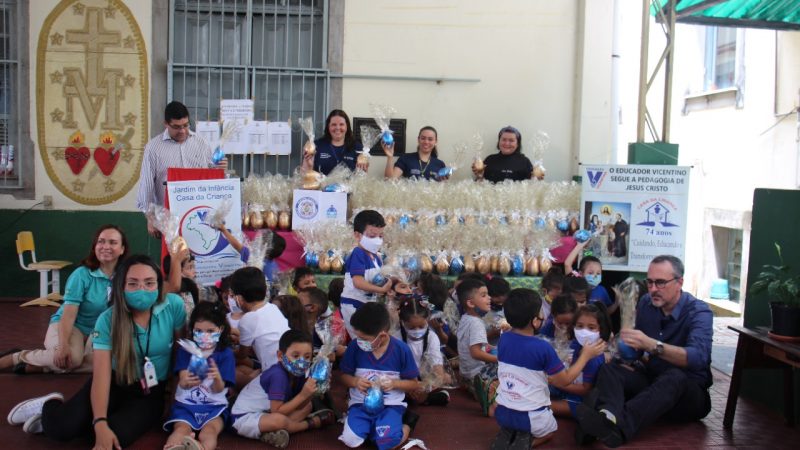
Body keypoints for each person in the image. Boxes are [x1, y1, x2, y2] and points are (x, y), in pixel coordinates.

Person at [7, 255, 187, 448]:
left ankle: (89, 420)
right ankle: (49, 404)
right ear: (121, 286)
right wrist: (99, 422)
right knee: (62, 429)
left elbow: (180, 355)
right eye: (133, 283)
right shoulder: (108, 319)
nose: (142, 289)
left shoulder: (173, 306)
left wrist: (176, 402)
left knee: (116, 438)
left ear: (159, 285)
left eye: (149, 283)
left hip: (150, 392)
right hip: (115, 383)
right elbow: (101, 375)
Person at [575, 255, 713, 448]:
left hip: (688, 396)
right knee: (610, 369)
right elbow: (638, 352)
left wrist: (650, 344)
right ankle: (607, 417)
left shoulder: (699, 312)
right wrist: (626, 353)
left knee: (675, 377)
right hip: (652, 382)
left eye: (660, 283)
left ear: (679, 282)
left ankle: (619, 429)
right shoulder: (646, 304)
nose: (653, 289)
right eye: (649, 282)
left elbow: (698, 358)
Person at [1, 225, 128, 374]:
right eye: (101, 241)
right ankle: (19, 357)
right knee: (73, 359)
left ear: (122, 249)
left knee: (111, 362)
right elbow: (68, 314)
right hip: (70, 326)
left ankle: (43, 366)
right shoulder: (81, 274)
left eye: (113, 242)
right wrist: (63, 345)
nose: (106, 246)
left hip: (98, 331)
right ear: (95, 247)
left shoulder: (126, 276)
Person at [492, 289, 605, 449]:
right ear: (535, 321)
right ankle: (528, 442)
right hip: (531, 417)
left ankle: (510, 433)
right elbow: (565, 380)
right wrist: (585, 356)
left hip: (502, 413)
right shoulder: (543, 347)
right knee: (550, 431)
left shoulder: (504, 339)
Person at [231, 330, 336, 447]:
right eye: (295, 356)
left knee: (308, 406)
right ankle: (310, 423)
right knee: (279, 420)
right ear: (280, 356)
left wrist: (311, 392)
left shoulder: (298, 373)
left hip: (268, 413)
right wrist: (303, 395)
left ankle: (274, 433)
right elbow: (277, 411)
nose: (301, 362)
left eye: (307, 357)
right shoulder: (278, 375)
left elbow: (300, 404)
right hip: (244, 418)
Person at [137, 101, 227, 237]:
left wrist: (220, 168)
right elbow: (146, 185)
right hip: (169, 221)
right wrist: (150, 218)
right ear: (166, 124)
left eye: (185, 125)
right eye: (177, 127)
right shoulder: (153, 148)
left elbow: (211, 176)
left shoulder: (201, 143)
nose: (183, 131)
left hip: (201, 217)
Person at [338, 303, 420, 450]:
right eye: (358, 336)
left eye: (364, 338)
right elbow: (343, 376)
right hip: (360, 404)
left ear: (382, 335)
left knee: (387, 443)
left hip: (391, 405)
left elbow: (414, 384)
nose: (359, 341)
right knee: (351, 440)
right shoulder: (354, 347)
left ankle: (407, 424)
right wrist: (355, 381)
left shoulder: (401, 350)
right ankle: (373, 430)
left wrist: (394, 384)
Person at [163, 302, 236, 450]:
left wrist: (216, 377)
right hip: (186, 406)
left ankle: (201, 447)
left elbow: (219, 389)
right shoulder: (186, 350)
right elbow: (182, 382)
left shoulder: (225, 354)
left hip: (214, 408)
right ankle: (173, 447)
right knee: (181, 430)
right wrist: (187, 380)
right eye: (199, 331)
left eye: (210, 331)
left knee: (209, 433)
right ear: (192, 330)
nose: (204, 335)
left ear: (220, 329)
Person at [550, 303, 612, 419]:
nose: (584, 331)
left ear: (601, 329)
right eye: (579, 326)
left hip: (581, 403)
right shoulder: (577, 344)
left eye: (591, 327)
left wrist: (556, 382)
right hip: (568, 389)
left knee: (541, 406)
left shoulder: (594, 357)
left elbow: (585, 390)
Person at [340, 210, 392, 339]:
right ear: (357, 235)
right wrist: (381, 289)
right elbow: (358, 282)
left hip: (367, 304)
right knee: (363, 339)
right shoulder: (358, 254)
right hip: (354, 304)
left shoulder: (377, 258)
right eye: (372, 236)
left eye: (380, 236)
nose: (377, 241)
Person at [230, 267, 290, 377]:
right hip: (287, 365)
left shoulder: (247, 319)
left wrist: (222, 354)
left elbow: (242, 355)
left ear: (239, 298)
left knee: (238, 378)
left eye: (233, 296)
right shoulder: (272, 307)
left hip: (275, 373)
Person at [395, 296, 451, 406]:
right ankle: (422, 399)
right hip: (403, 378)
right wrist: (409, 387)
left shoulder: (431, 337)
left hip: (423, 377)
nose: (417, 331)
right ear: (402, 322)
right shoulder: (396, 338)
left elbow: (437, 368)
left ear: (427, 319)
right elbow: (392, 368)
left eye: (421, 326)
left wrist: (426, 387)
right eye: (411, 328)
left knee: (446, 378)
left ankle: (419, 398)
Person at [455, 278, 498, 416]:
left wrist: (491, 348)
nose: (489, 298)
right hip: (477, 373)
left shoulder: (465, 317)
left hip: (466, 372)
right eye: (484, 295)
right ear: (471, 303)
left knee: (496, 351)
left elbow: (476, 345)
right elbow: (476, 353)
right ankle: (488, 394)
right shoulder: (476, 324)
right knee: (507, 367)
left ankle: (472, 386)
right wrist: (499, 359)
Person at [301, 109, 365, 175]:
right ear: (328, 127)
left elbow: (361, 177)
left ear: (347, 127)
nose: (337, 128)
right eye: (334, 124)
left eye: (341, 124)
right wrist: (309, 164)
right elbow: (304, 176)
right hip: (321, 185)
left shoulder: (357, 147)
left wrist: (364, 165)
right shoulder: (316, 145)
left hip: (349, 185)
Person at [472, 126, 540, 183]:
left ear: (517, 144)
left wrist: (536, 178)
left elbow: (531, 187)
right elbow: (480, 186)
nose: (507, 143)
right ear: (499, 141)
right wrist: (479, 175)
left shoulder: (525, 162)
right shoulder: (490, 160)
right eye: (504, 139)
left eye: (511, 140)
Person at [383, 126, 447, 180]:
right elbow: (390, 181)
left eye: (430, 139)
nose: (426, 142)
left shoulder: (440, 164)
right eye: (423, 138)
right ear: (418, 140)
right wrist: (390, 157)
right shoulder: (405, 158)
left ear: (435, 142)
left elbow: (442, 189)